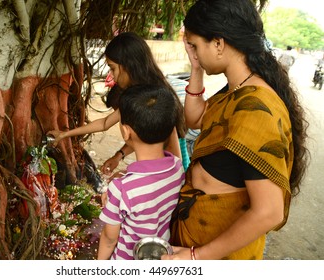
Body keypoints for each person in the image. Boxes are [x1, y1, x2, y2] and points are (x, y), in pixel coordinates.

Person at [162, 0, 309, 260]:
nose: (193, 53)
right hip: (200, 239)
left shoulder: (256, 109)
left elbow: (269, 212)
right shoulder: (237, 90)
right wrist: (196, 68)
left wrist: (197, 256)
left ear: (218, 44)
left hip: (218, 256)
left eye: (196, 46)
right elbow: (195, 119)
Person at [48, 32, 188, 173]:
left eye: (112, 68)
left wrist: (134, 178)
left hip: (171, 175)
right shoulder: (139, 96)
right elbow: (104, 123)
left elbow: (176, 164)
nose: (112, 75)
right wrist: (64, 134)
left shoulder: (157, 101)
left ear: (128, 65)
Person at [97, 84, 185, 260]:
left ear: (125, 131)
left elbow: (109, 239)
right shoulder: (177, 167)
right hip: (159, 253)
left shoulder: (121, 189)